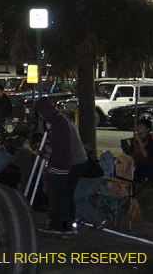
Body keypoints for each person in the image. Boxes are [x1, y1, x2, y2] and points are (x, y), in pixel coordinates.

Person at [35, 97, 88, 236]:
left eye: (40, 113)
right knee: (66, 195)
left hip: (67, 164)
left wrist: (49, 153)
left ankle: (60, 224)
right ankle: (67, 223)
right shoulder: (62, 119)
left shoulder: (59, 123)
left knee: (59, 195)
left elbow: (60, 147)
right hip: (75, 161)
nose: (40, 116)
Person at [130, 118, 153, 182]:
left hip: (146, 164)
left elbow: (146, 156)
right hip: (134, 161)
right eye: (138, 126)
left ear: (147, 129)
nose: (138, 128)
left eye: (141, 126)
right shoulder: (134, 140)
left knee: (134, 163)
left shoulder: (151, 141)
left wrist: (140, 141)